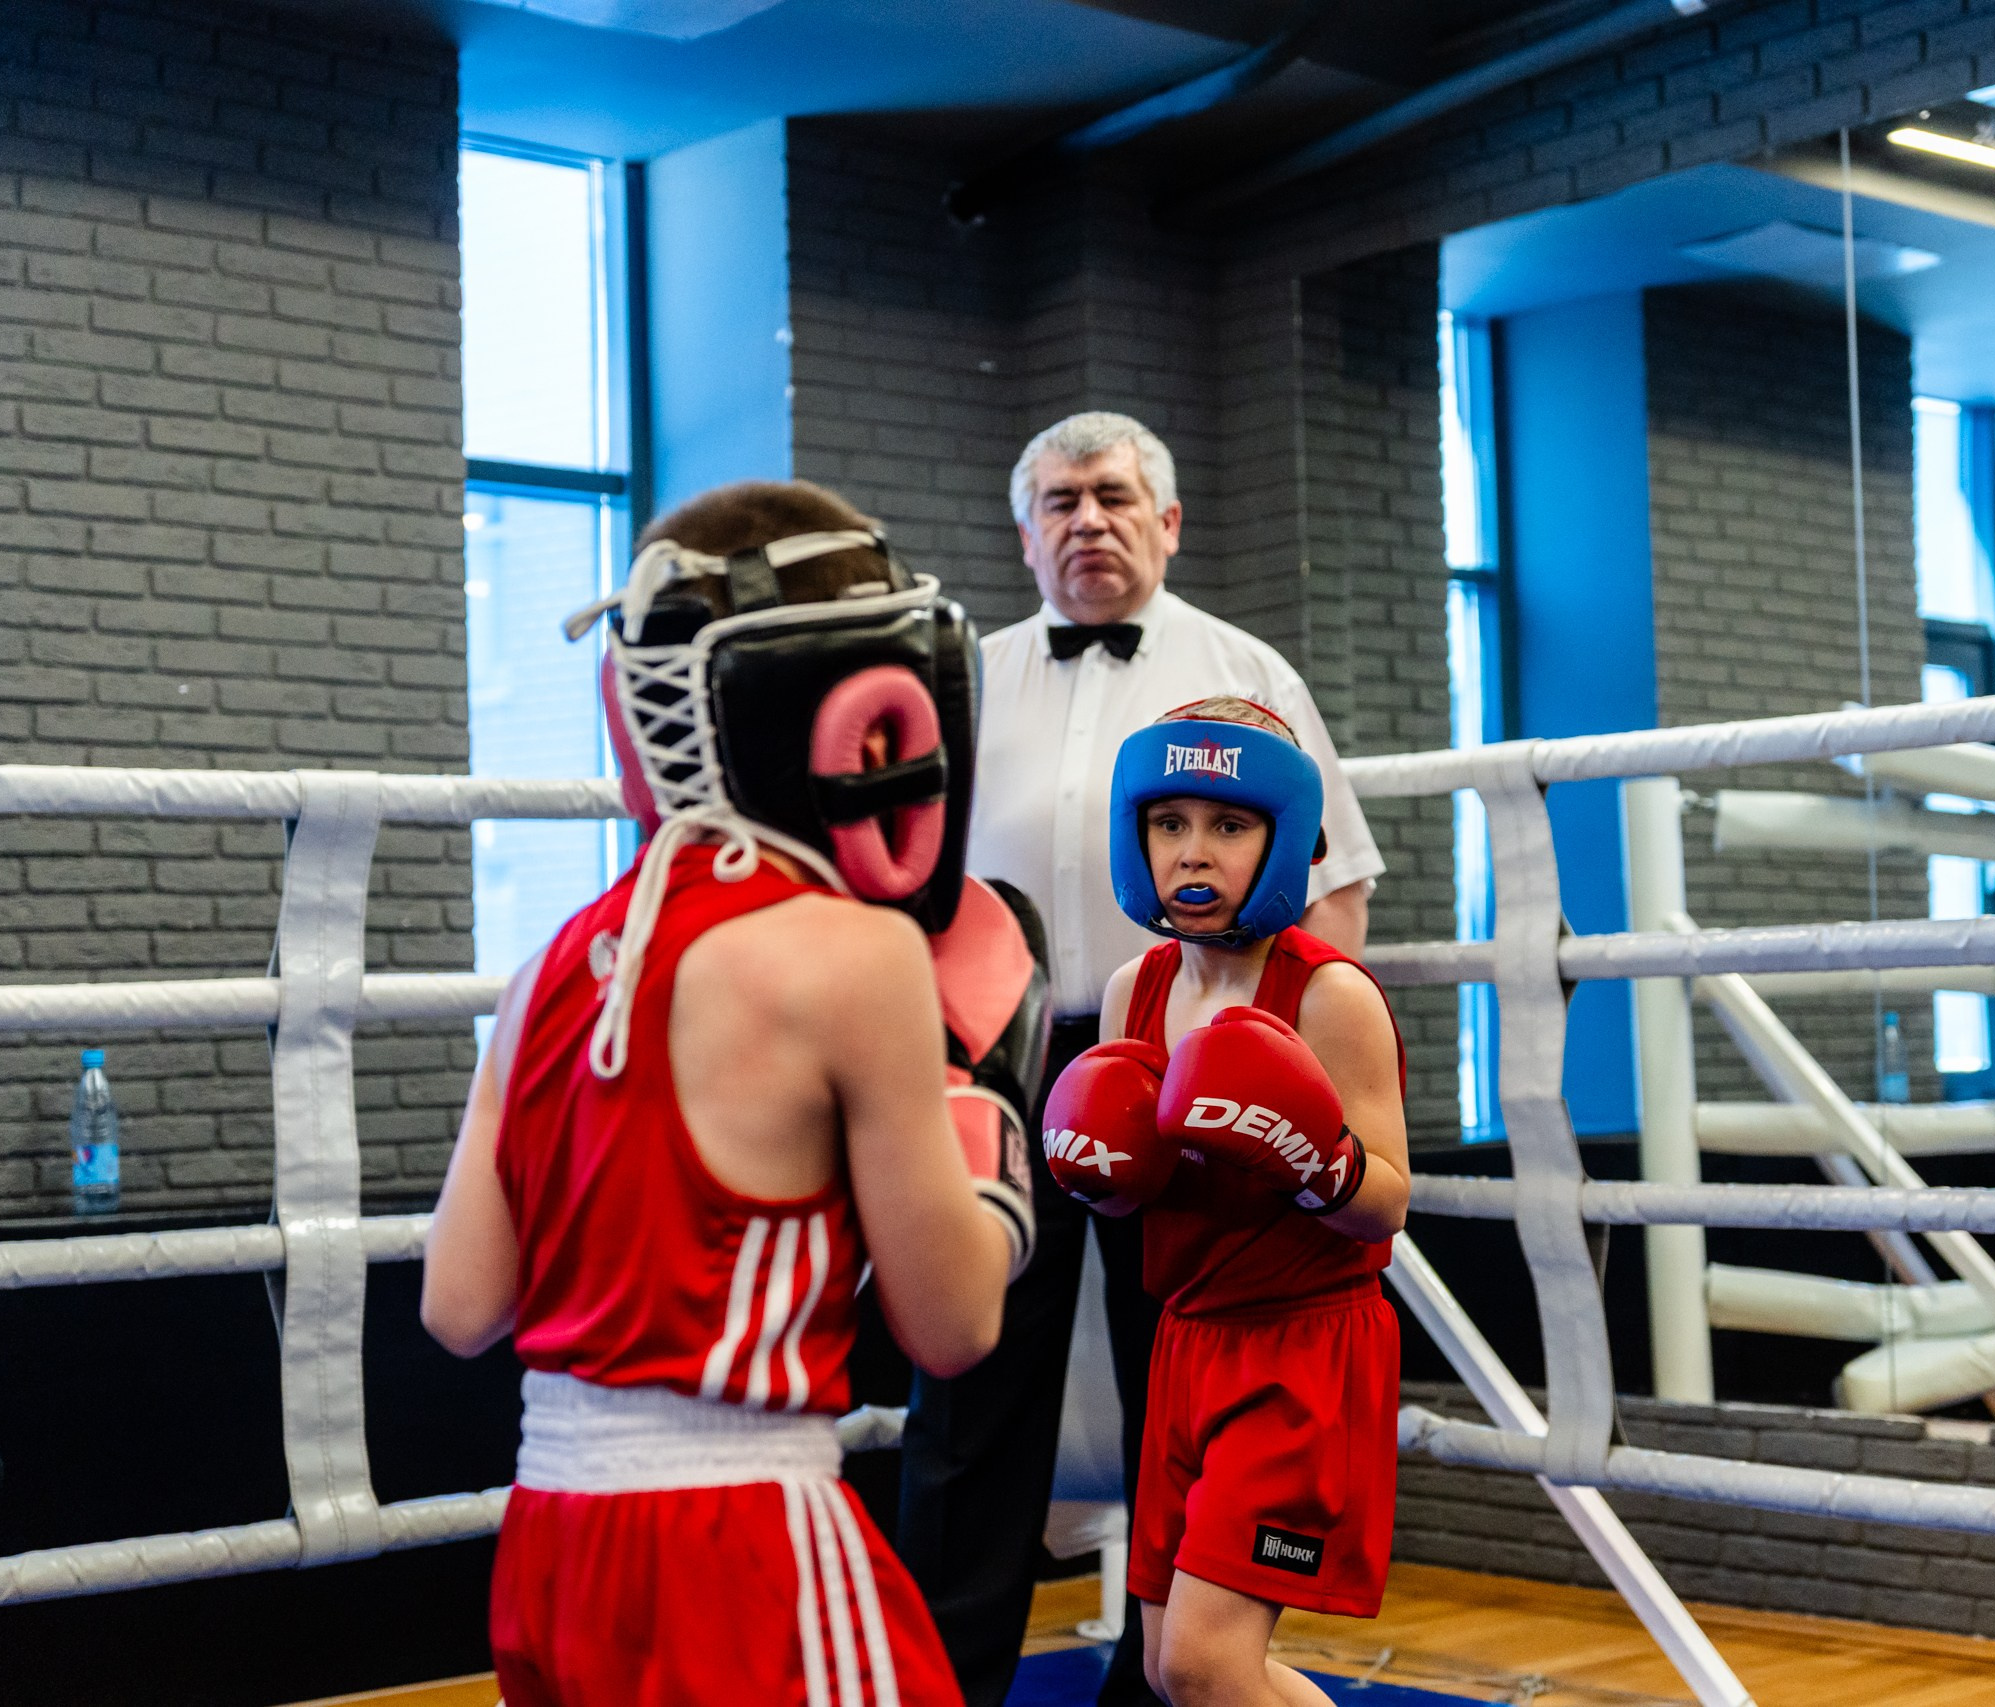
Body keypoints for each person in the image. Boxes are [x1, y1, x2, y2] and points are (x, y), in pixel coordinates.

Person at [420, 480, 1042, 1707]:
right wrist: (989, 1136)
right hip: (744, 1542)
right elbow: (952, 1326)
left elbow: (458, 1305)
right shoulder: (854, 959)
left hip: (551, 1546)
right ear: (863, 708)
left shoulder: (550, 960)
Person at [901, 412, 1385, 1707]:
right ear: (1024, 530)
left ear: (1167, 520)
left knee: (1177, 1334)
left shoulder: (1244, 669)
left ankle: (1161, 1680)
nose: (1086, 519)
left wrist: (1289, 1061)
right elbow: (907, 881)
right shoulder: (969, 676)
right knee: (973, 1371)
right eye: (1058, 500)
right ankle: (945, 1681)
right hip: (997, 1058)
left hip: (1193, 1045)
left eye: (1113, 495)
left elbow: (1333, 886)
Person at [1043, 696, 1409, 1707]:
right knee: (1174, 1671)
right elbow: (1132, 1199)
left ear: (1284, 838)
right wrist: (1101, 1174)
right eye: (1170, 825)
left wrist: (1311, 1158)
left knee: (1206, 1665)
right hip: (1185, 1341)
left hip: (1302, 1350)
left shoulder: (1328, 996)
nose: (1192, 854)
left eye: (1228, 826)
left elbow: (1386, 1201)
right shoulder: (1134, 992)